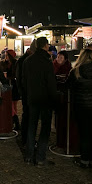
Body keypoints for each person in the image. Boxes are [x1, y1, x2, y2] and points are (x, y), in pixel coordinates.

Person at [22, 36, 61, 167]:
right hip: (45, 99)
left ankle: (28, 155)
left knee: (31, 126)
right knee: (44, 128)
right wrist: (54, 98)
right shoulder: (47, 61)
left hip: (32, 98)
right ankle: (40, 157)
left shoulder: (28, 61)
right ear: (45, 46)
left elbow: (24, 81)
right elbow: (51, 83)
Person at [16, 40, 36, 147]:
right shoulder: (25, 60)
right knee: (27, 115)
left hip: (26, 92)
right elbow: (21, 78)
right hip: (26, 92)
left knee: (27, 115)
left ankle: (27, 138)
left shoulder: (24, 59)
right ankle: (26, 138)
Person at [0, 49, 21, 132]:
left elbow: (16, 74)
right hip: (8, 86)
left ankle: (15, 121)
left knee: (14, 105)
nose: (6, 57)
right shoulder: (3, 63)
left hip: (14, 86)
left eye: (7, 55)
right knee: (11, 105)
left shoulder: (16, 63)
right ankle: (14, 121)